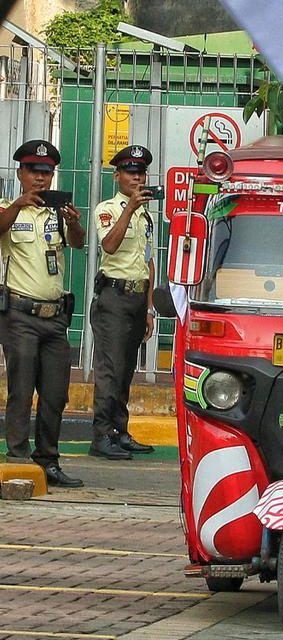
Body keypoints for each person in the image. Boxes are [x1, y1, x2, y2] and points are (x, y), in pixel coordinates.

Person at [0, 139, 86, 487]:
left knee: (55, 393)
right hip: (19, 314)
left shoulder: (56, 211)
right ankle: (18, 459)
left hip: (54, 317)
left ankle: (48, 460)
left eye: (47, 172)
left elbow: (78, 243)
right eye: (34, 171)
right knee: (21, 389)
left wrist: (74, 222)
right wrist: (19, 206)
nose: (40, 178)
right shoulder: (8, 206)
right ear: (20, 172)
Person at [88, 144, 157, 460]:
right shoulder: (109, 208)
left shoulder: (146, 214)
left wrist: (149, 307)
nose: (137, 177)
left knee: (126, 369)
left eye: (141, 172)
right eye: (131, 171)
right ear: (117, 175)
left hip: (136, 297)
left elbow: (149, 261)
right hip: (113, 298)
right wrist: (129, 208)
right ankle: (102, 435)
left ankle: (119, 431)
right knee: (110, 371)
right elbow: (110, 246)